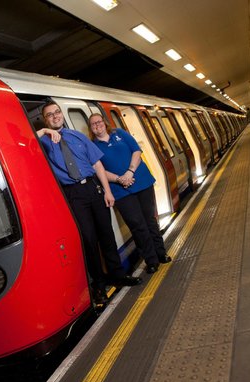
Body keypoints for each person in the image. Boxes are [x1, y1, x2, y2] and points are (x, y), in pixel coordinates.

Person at [36, 101, 142, 303]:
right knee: (89, 240)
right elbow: (23, 143)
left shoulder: (78, 136)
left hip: (94, 188)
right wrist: (44, 131)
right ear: (46, 119)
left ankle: (118, 276)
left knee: (106, 234)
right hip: (73, 193)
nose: (56, 116)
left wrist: (107, 191)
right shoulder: (44, 141)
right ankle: (99, 286)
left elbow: (97, 164)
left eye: (57, 112)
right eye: (50, 115)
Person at [88, 113, 172, 274]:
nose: (97, 125)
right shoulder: (93, 146)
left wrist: (129, 172)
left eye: (99, 122)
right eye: (93, 124)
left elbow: (136, 151)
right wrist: (120, 179)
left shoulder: (119, 133)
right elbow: (99, 170)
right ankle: (151, 260)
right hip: (120, 190)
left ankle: (161, 253)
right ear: (91, 129)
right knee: (137, 226)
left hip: (142, 181)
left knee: (150, 221)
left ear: (105, 123)